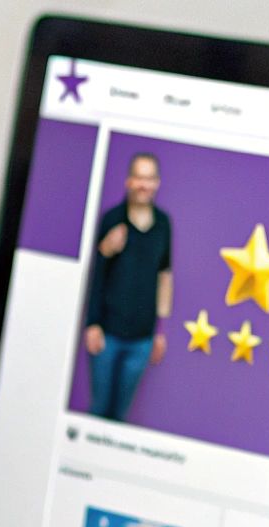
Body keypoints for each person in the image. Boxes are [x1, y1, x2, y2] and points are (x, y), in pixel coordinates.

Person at [83, 153, 173, 421]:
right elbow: (95, 275)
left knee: (120, 414)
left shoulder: (163, 225)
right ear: (129, 181)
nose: (144, 184)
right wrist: (92, 323)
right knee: (98, 409)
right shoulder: (112, 220)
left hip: (142, 339)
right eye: (139, 177)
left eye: (150, 178)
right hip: (107, 333)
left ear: (156, 183)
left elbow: (165, 275)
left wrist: (160, 331)